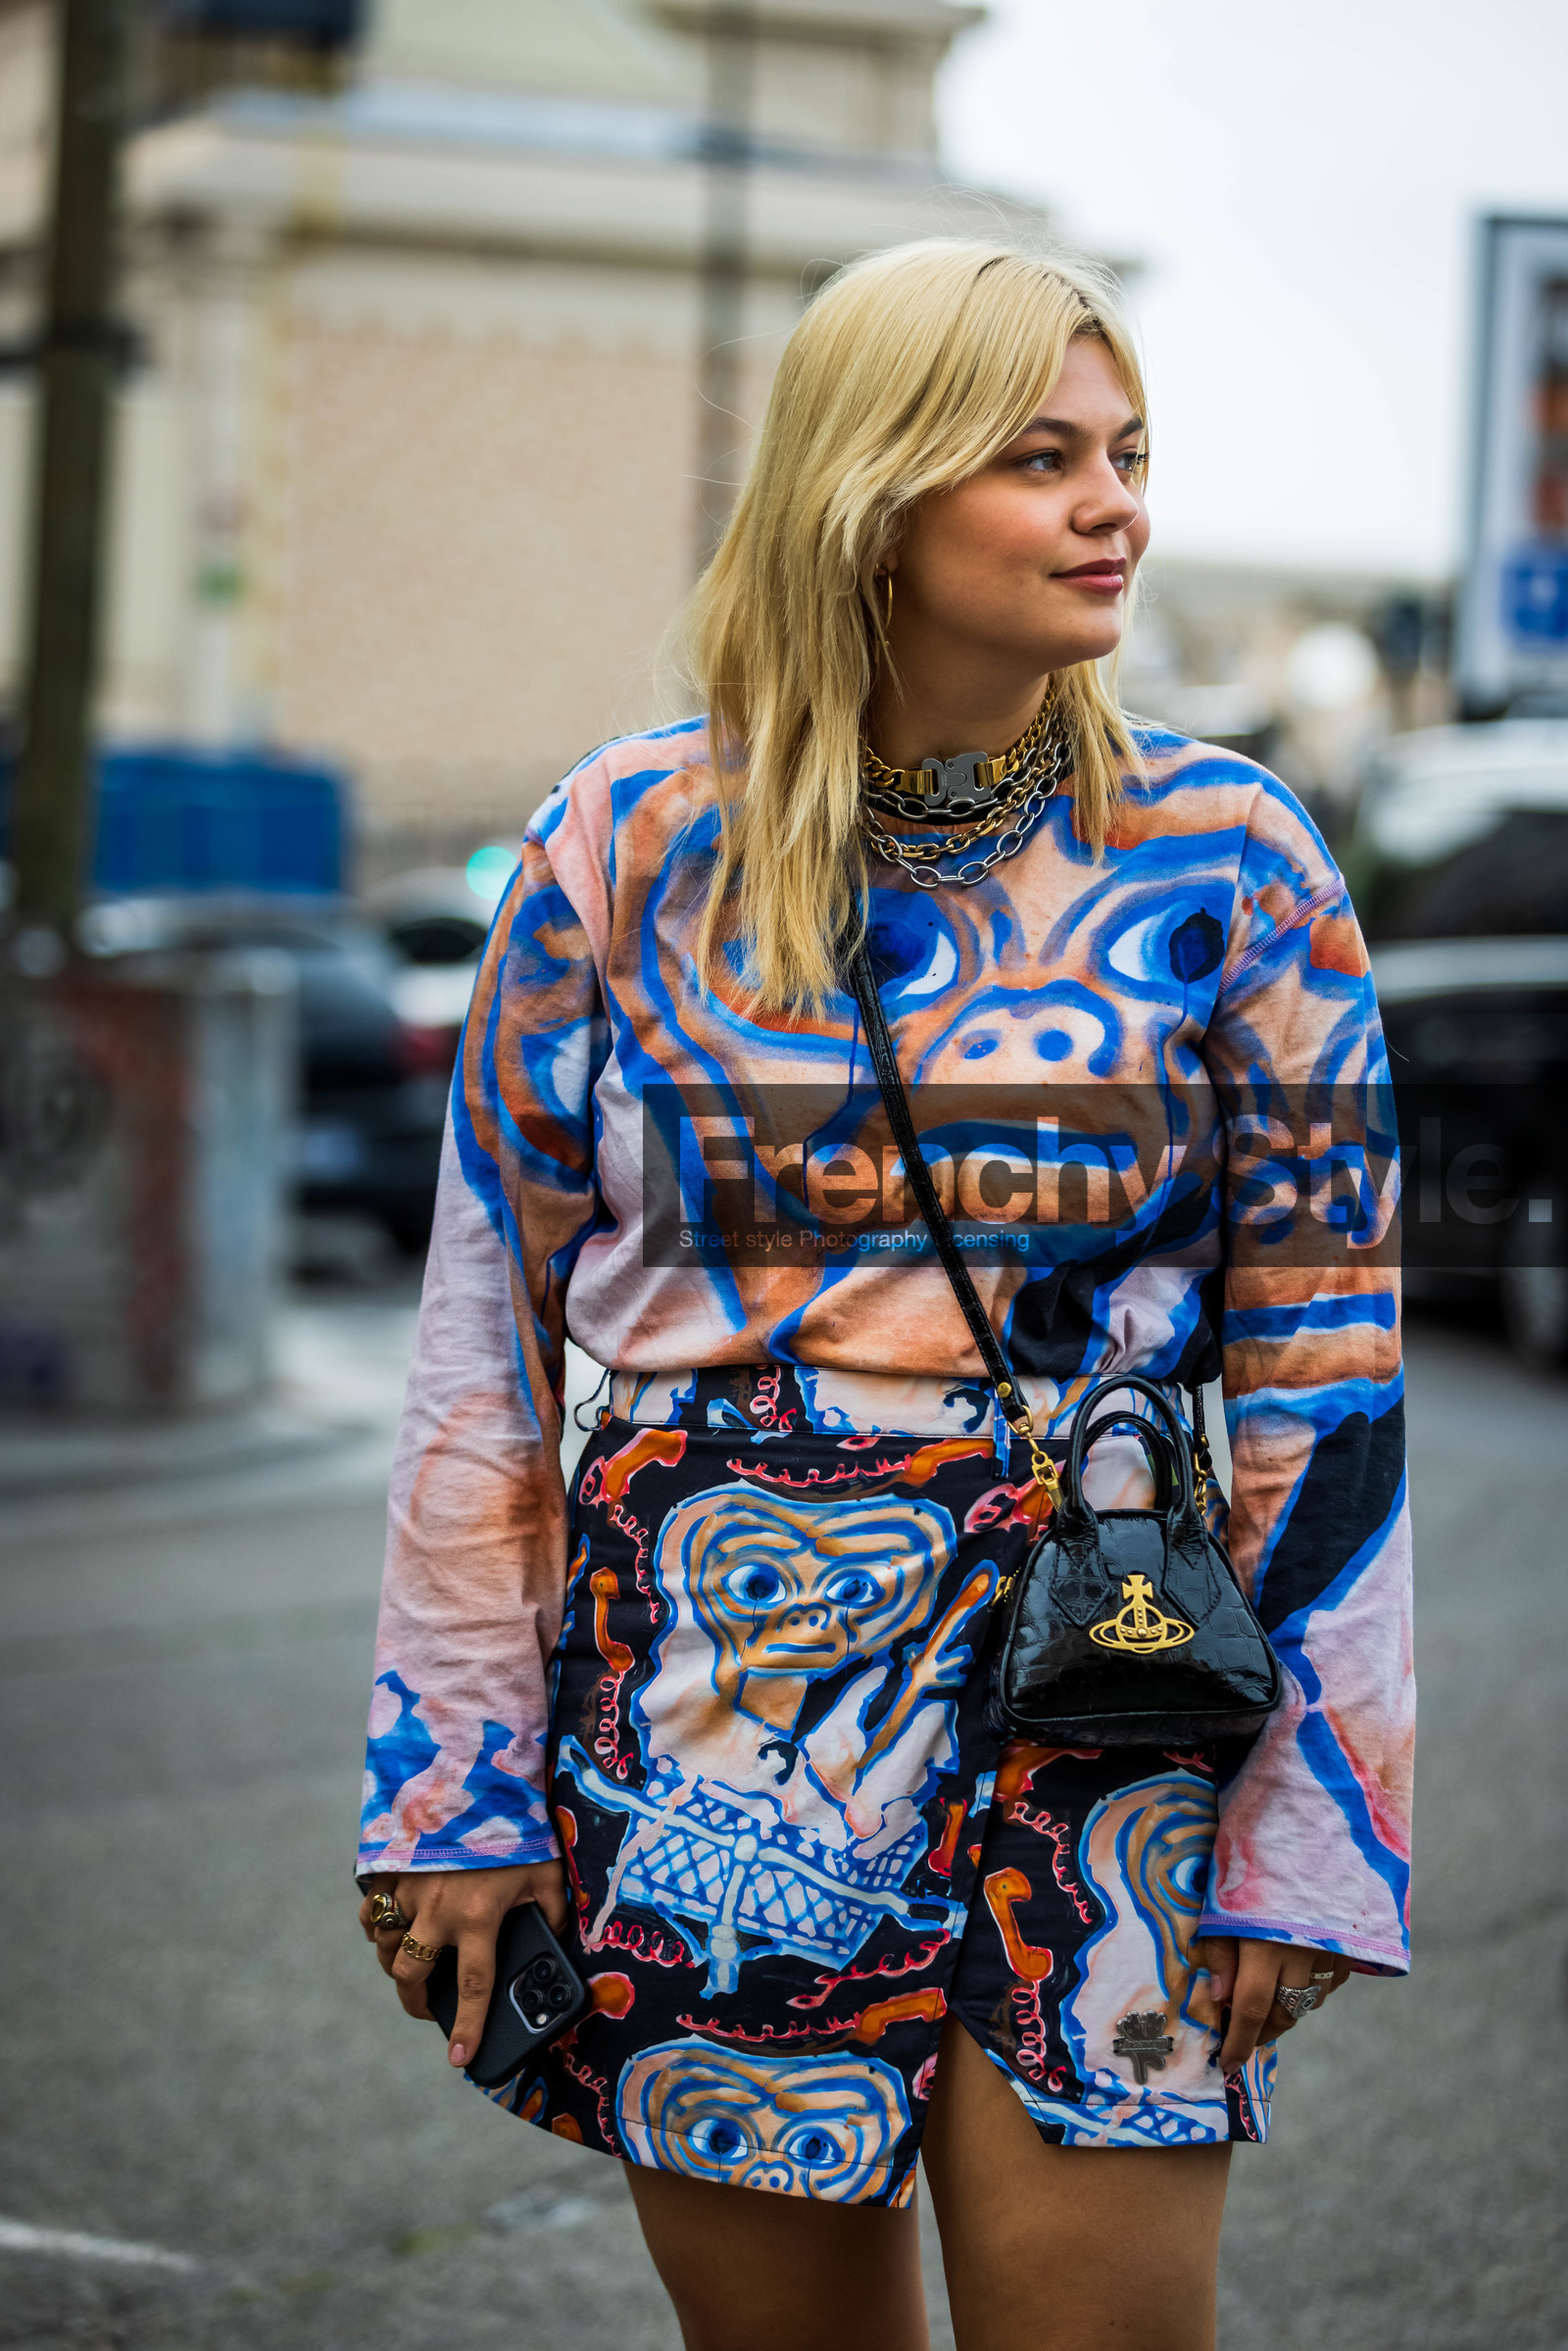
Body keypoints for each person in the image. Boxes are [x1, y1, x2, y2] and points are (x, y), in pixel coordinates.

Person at [355, 239, 1412, 2351]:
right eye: (1041, 458)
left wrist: (1323, 1824)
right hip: (716, 1710)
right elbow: (482, 1357)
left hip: (1112, 1680)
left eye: (1128, 454)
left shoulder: (1232, 857)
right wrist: (448, 1787)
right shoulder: (626, 843)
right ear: (873, 493)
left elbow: (1328, 1371)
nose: (1113, 506)